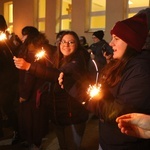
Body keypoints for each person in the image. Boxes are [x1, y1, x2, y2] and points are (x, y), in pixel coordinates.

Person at [58, 13, 150, 150]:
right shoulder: (120, 64)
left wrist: (77, 89)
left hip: (124, 144)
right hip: (109, 138)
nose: (111, 43)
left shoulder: (140, 71)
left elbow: (117, 112)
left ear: (131, 42)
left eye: (116, 38)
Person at [13, 31, 89, 150]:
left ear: (77, 45)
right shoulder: (59, 59)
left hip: (73, 115)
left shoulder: (78, 61)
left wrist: (29, 67)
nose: (66, 45)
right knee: (63, 146)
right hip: (58, 114)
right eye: (63, 41)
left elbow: (57, 74)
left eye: (71, 42)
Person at [15, 26, 52, 149]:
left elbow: (29, 74)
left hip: (33, 92)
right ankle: (33, 141)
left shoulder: (31, 49)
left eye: (24, 35)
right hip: (37, 90)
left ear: (29, 36)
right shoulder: (37, 46)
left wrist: (24, 94)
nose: (22, 38)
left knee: (33, 119)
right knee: (34, 119)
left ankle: (35, 143)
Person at [0, 15, 20, 143]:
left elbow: (11, 61)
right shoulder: (7, 43)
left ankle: (18, 132)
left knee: (8, 107)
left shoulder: (6, 44)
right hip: (8, 82)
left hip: (6, 83)